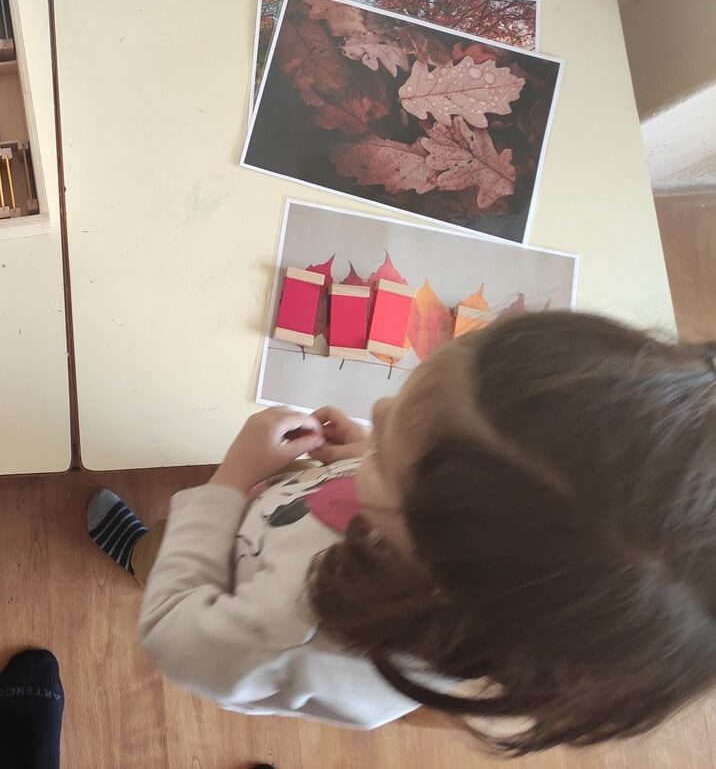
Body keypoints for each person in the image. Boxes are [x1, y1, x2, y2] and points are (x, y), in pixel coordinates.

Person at [88, 312, 716, 754]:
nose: (380, 410)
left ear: (434, 555)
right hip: (291, 512)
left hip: (227, 569)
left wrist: (230, 480)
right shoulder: (485, 571)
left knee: (170, 558)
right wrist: (369, 452)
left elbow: (174, 634)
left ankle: (141, 554)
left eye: (388, 458)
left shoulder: (288, 630)